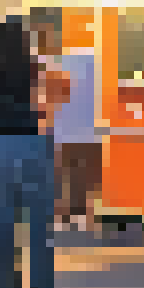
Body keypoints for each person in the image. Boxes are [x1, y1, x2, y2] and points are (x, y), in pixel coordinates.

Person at [0, 16, 66, 288]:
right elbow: (47, 106)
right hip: (31, 144)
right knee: (39, 228)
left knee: (6, 228)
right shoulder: (32, 66)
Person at [47, 21, 102, 233]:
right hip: (91, 128)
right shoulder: (100, 63)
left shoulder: (59, 61)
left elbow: (52, 94)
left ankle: (67, 215)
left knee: (66, 173)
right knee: (87, 175)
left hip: (65, 127)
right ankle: (86, 216)